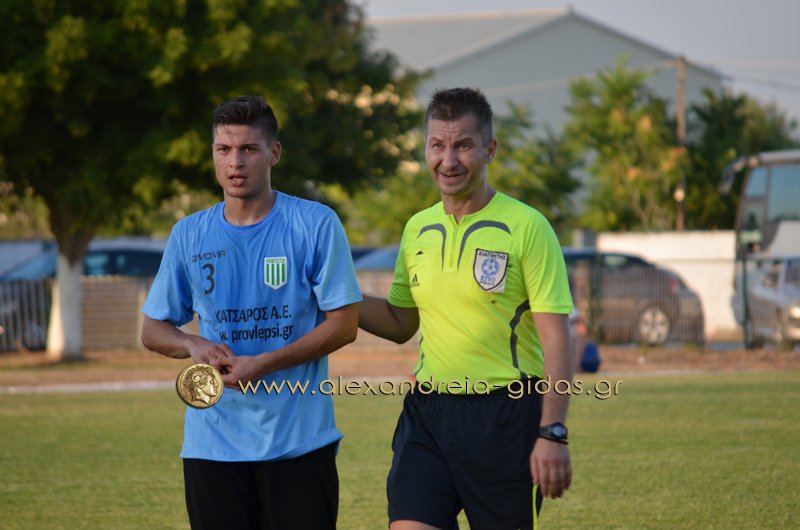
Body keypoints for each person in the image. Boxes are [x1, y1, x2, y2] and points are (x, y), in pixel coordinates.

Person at [140, 95, 361, 530]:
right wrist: (192, 344)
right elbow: (152, 329)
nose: (235, 162)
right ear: (213, 154)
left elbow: (344, 325)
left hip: (298, 443)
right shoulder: (189, 234)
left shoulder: (315, 224)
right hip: (212, 446)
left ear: (273, 153)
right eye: (224, 149)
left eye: (248, 149)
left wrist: (263, 363)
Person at [359, 87, 574, 530]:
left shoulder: (527, 227)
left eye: (463, 145)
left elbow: (557, 338)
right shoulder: (417, 228)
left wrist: (552, 431)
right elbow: (400, 322)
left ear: (489, 150)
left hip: (505, 417)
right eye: (437, 145)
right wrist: (335, 299)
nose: (448, 160)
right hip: (428, 414)